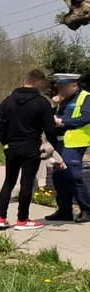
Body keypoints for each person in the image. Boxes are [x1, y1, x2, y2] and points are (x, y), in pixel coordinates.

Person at [0, 70, 62, 230]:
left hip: (11, 147)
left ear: (25, 81)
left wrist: (4, 142)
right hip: (31, 146)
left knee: (9, 181)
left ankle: (0, 217)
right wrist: (54, 145)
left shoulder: (8, 101)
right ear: (39, 83)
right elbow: (49, 127)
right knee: (26, 182)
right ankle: (22, 219)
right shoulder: (41, 102)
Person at [50, 73, 90, 223]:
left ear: (74, 85)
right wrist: (53, 107)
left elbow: (86, 117)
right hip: (60, 142)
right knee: (58, 176)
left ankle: (86, 209)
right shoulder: (61, 100)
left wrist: (63, 122)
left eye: (63, 87)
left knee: (72, 175)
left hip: (75, 142)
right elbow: (50, 119)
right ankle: (64, 210)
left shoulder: (86, 97)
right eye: (59, 87)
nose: (60, 90)